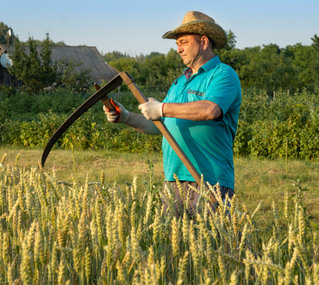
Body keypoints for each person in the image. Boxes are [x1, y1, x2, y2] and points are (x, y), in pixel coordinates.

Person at [103, 11, 242, 217]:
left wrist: (161, 108)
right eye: (177, 44)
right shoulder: (178, 83)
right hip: (174, 181)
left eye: (183, 42)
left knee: (211, 246)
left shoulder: (223, 75)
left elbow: (210, 110)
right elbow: (161, 125)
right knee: (174, 246)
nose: (178, 49)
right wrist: (126, 117)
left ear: (203, 41)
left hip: (211, 180)